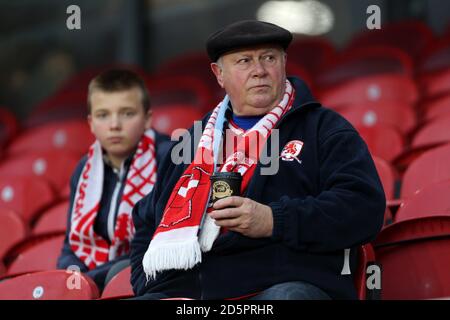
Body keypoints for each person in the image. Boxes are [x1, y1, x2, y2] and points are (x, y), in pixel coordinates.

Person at [129, 20, 386, 300]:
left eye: (269, 58)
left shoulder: (324, 129)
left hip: (282, 285)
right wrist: (147, 283)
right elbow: (145, 217)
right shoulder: (190, 143)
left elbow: (363, 208)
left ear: (284, 63)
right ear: (219, 74)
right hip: (192, 292)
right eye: (244, 61)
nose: (260, 71)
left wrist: (273, 219)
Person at [57, 69, 171, 291]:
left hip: (150, 279)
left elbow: (160, 241)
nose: (114, 124)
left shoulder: (167, 157)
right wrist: (74, 277)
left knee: (117, 274)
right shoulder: (84, 169)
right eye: (103, 115)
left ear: (147, 119)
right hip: (95, 278)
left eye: (127, 113)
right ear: (90, 123)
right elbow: (71, 246)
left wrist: (93, 278)